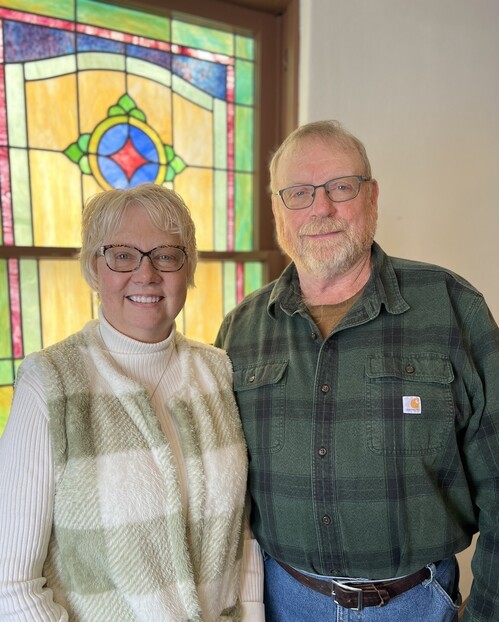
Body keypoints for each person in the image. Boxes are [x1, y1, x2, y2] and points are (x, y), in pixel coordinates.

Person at [215, 120, 499, 621]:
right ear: (278, 211)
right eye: (299, 193)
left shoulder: (452, 307)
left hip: (418, 605)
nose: (321, 208)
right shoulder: (240, 331)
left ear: (372, 197)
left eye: (341, 187)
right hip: (281, 603)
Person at [0, 183, 264, 621]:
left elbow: (243, 536)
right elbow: (11, 584)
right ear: (94, 268)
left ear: (188, 268)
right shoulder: (50, 384)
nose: (146, 273)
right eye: (122, 255)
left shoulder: (218, 372)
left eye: (166, 255)